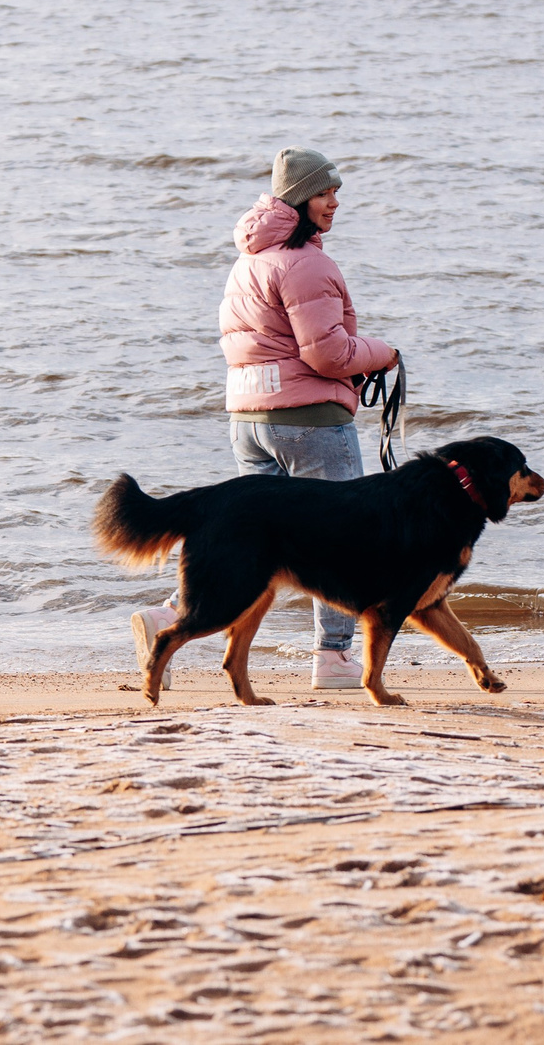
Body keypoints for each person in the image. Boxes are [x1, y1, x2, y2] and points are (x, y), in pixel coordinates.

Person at [130, 146, 398, 692]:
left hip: (249, 417)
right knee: (342, 538)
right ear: (299, 200)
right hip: (311, 420)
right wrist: (384, 353)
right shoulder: (307, 263)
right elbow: (327, 355)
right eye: (325, 192)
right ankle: (334, 656)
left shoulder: (249, 260)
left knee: (249, 542)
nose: (335, 203)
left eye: (335, 191)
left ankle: (172, 615)